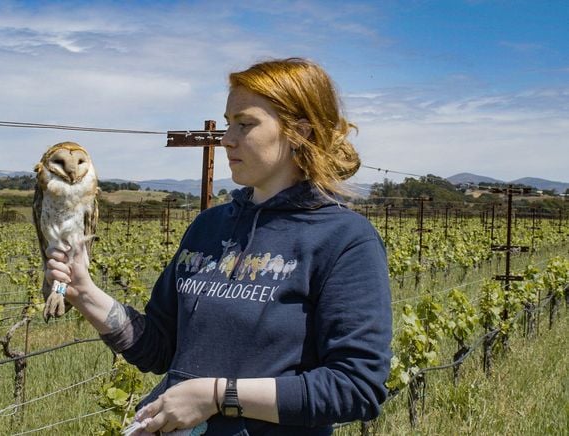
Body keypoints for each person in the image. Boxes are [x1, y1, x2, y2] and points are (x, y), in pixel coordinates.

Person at [46, 57, 392, 435]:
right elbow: (160, 348)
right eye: (228, 124)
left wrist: (216, 396)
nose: (227, 139)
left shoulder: (344, 239)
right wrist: (86, 293)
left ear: (300, 133)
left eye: (245, 124)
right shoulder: (208, 227)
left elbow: (356, 388)